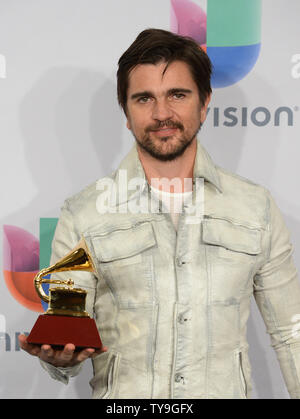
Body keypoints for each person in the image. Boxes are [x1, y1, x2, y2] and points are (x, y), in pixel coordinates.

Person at [19, 28, 300, 399]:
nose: (162, 113)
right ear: (125, 112)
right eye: (144, 98)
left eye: (177, 95)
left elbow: (291, 333)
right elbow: (65, 327)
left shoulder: (256, 208)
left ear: (204, 103)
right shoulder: (83, 214)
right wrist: (59, 356)